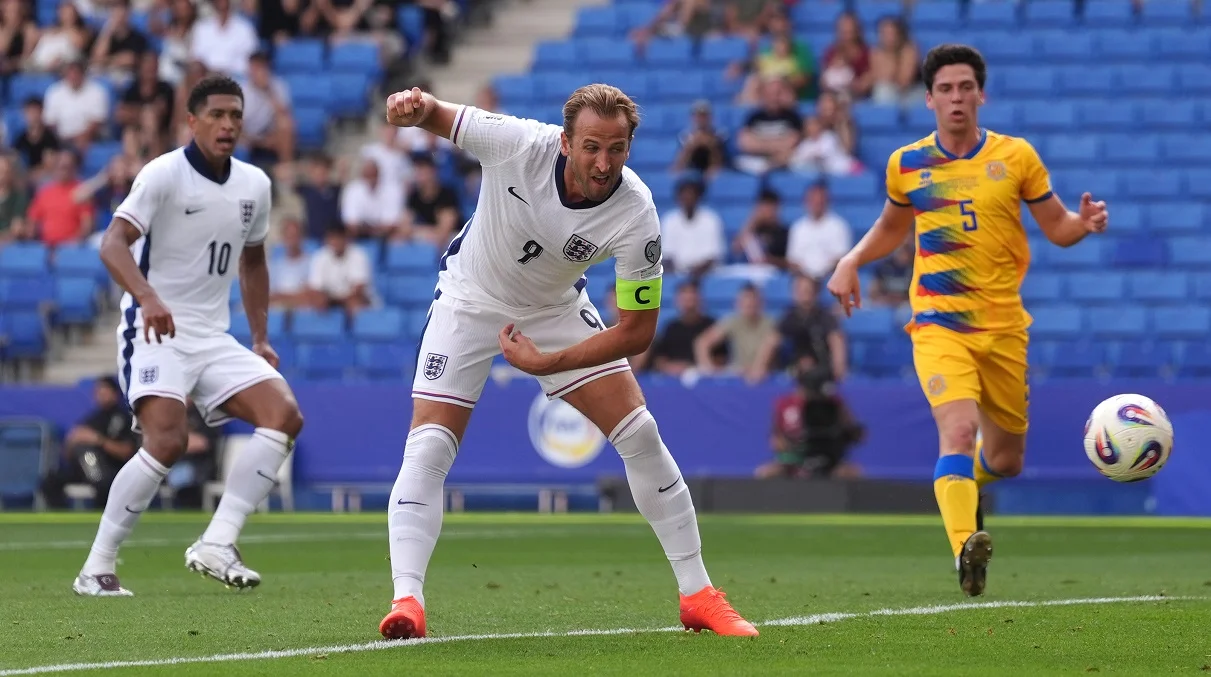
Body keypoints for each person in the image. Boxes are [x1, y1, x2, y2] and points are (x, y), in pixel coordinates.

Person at [379, 83, 758, 639]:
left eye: (617, 149)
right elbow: (435, 114)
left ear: (630, 147)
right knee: (431, 444)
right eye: (591, 147)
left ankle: (699, 594)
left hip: (554, 310)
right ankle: (407, 601)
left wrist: (548, 360)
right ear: (565, 142)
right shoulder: (516, 144)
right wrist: (408, 108)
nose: (603, 163)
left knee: (641, 434)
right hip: (469, 299)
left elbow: (638, 331)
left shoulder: (636, 212)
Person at [826, 45, 1109, 598]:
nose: (957, 98)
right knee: (955, 431)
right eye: (946, 89)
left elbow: (1057, 227)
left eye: (965, 88)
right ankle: (964, 546)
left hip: (1004, 329)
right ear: (929, 98)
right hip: (938, 324)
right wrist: (852, 258)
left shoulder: (1017, 157)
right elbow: (891, 226)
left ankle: (960, 483)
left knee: (1004, 460)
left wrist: (1086, 222)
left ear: (982, 94)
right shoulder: (907, 164)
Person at [72, 74, 305, 597]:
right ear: (192, 120)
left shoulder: (255, 185)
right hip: (155, 329)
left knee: (284, 415)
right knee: (168, 441)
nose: (228, 125)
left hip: (213, 334)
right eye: (218, 115)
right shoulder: (163, 175)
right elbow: (113, 244)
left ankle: (217, 542)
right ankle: (97, 566)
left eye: (236, 116)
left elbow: (253, 263)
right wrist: (149, 297)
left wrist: (261, 337)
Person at [40, 376, 137, 510]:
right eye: (98, 391)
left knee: (102, 481)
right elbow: (67, 455)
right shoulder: (91, 419)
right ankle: (62, 519)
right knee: (50, 481)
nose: (100, 394)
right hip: (83, 467)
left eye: (104, 391)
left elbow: (126, 452)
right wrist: (72, 441)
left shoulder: (125, 418)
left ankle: (102, 519)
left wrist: (98, 440)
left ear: (114, 394)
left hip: (111, 467)